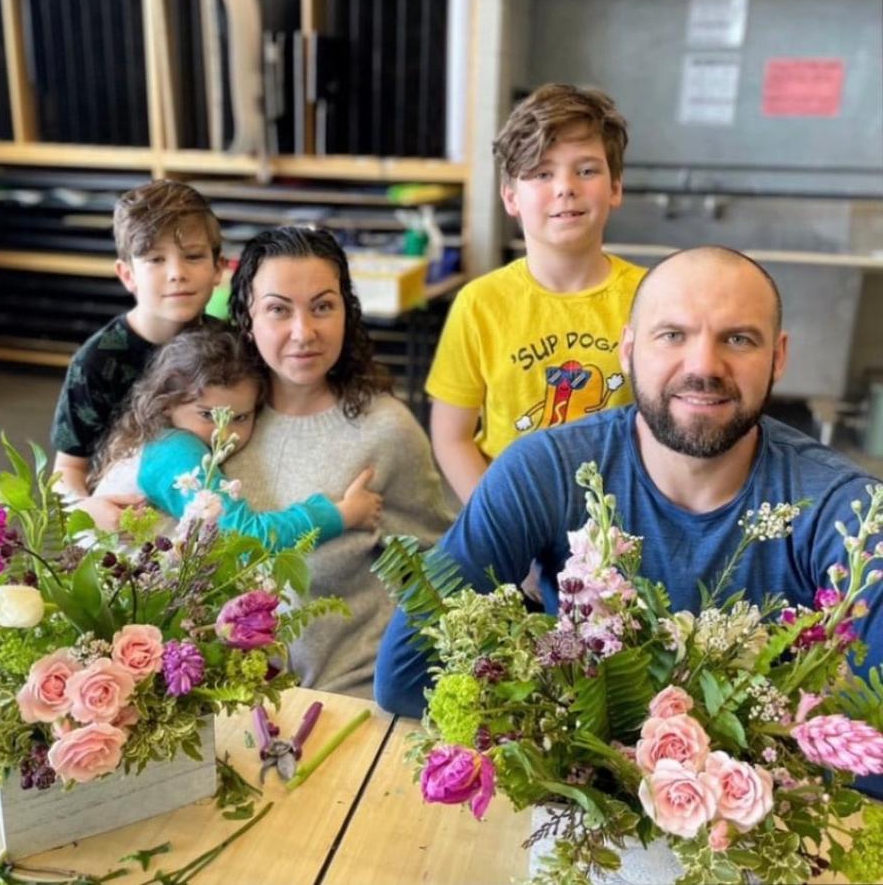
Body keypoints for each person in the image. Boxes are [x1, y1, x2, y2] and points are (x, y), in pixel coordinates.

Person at [375, 245, 883, 719]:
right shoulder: (543, 472)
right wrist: (565, 738)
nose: (704, 365)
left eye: (738, 338)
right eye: (672, 335)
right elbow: (406, 673)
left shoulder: (847, 512)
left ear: (778, 356)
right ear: (628, 350)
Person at [144, 225, 455, 698]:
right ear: (247, 317)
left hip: (349, 697)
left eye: (323, 306)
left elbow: (440, 573)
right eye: (278, 309)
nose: (303, 332)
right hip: (220, 697)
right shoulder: (212, 419)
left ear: (346, 314)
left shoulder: (386, 430)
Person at [426, 84, 646, 505]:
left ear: (615, 188)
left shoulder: (652, 297)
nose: (565, 187)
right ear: (511, 197)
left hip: (624, 521)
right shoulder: (479, 304)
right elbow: (451, 438)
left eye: (586, 170)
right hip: (514, 516)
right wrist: (500, 526)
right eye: (543, 173)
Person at [90, 327, 382, 546]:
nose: (224, 433)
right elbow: (243, 538)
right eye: (208, 415)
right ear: (166, 403)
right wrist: (342, 514)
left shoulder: (160, 442)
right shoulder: (175, 449)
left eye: (240, 418)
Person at [50, 179, 224, 531]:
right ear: (127, 274)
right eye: (155, 259)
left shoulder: (230, 348)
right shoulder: (95, 362)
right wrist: (83, 508)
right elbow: (65, 470)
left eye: (193, 256)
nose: (177, 273)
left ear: (218, 268)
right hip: (126, 533)